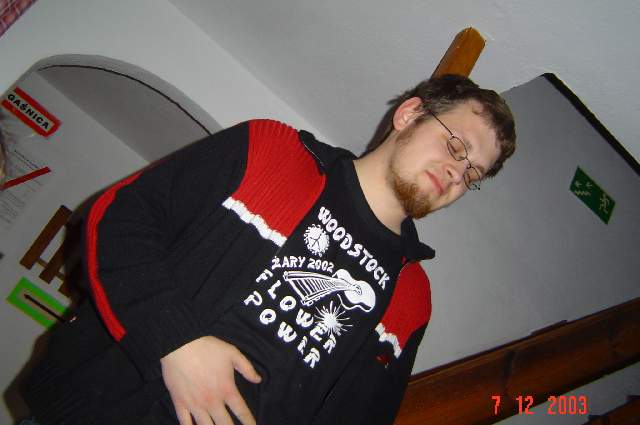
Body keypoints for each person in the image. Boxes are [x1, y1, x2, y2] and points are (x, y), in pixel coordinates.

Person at [22, 74, 516, 425]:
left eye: (473, 172)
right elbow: (121, 218)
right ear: (409, 115)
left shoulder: (412, 296)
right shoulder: (272, 151)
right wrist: (175, 342)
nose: (458, 171)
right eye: (456, 146)